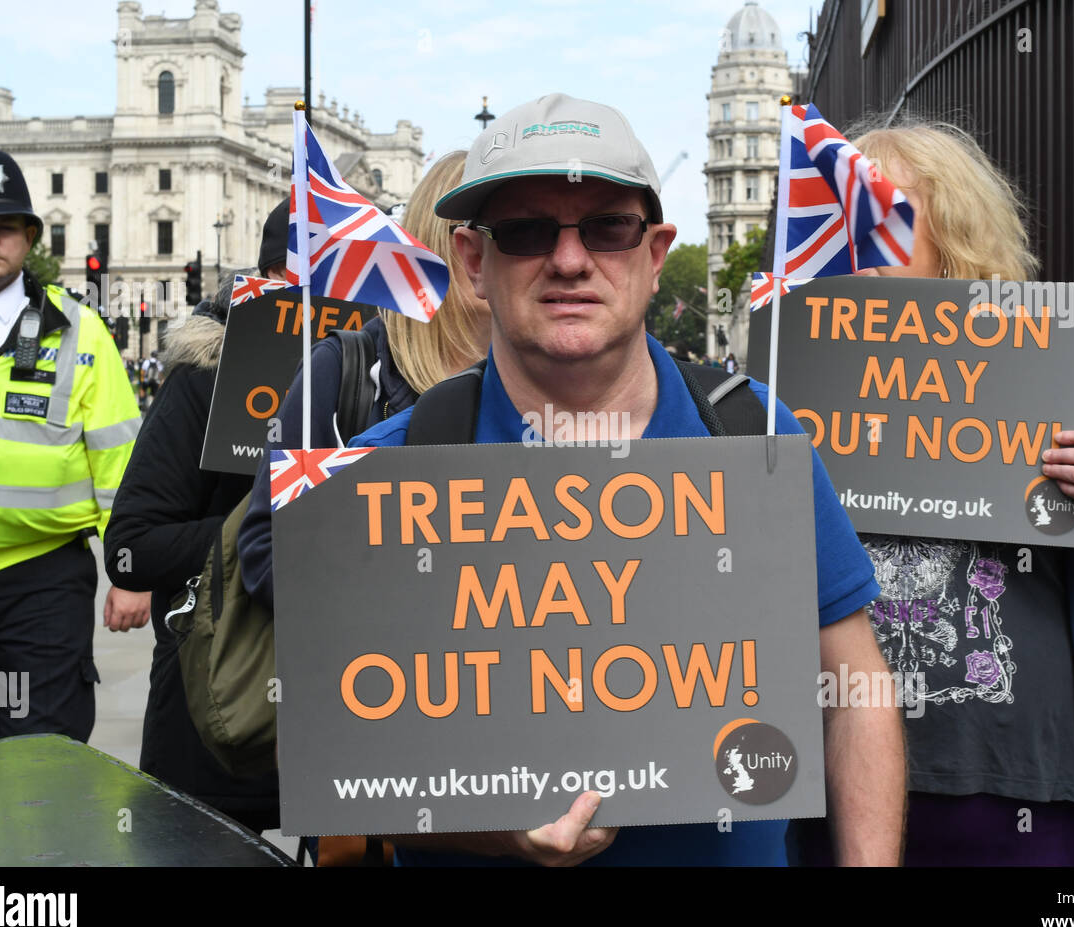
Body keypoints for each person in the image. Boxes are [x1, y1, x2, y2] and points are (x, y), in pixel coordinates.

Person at [340, 93, 904, 866]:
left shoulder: (753, 436)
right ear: (474, 262)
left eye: (607, 227)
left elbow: (856, 694)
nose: (569, 261)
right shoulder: (387, 471)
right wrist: (500, 829)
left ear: (656, 251)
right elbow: (339, 765)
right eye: (527, 232)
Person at [834, 120, 1074, 865]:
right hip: (848, 795)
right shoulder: (791, 399)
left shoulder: (1053, 382)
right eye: (844, 225)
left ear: (954, 235)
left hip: (1037, 796)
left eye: (887, 221)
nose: (860, 248)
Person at [0, 145, 142, 769]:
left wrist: (128, 567)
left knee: (44, 759)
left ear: (28, 236)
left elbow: (118, 457)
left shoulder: (79, 330)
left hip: (41, 582)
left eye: (4, 227)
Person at [102, 199, 292, 832]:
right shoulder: (205, 379)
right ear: (268, 283)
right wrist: (263, 532)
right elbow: (132, 545)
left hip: (338, 708)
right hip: (213, 697)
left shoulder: (373, 379)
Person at [238, 151, 491, 610]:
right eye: (503, 235)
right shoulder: (344, 369)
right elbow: (267, 554)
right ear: (457, 249)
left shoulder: (554, 374)